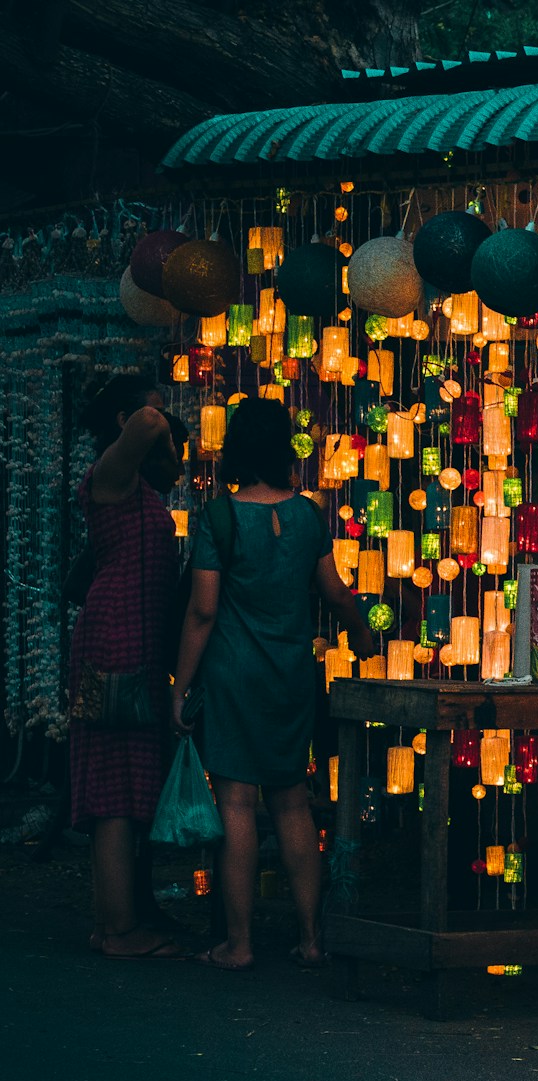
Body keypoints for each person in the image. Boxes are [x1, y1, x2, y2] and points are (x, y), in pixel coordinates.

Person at [171, 398, 375, 971]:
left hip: (234, 676)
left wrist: (179, 687)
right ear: (285, 448)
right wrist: (362, 636)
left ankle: (238, 945)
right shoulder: (309, 515)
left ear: (236, 448)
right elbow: (335, 592)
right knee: (291, 805)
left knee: (235, 802)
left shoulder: (220, 518)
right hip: (291, 677)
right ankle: (312, 939)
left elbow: (203, 612)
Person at [70, 375, 189, 959]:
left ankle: (110, 921)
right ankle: (120, 932)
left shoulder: (134, 485)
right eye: (152, 411)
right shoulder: (109, 477)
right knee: (115, 791)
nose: (159, 419)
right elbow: (148, 425)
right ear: (123, 420)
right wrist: (162, 430)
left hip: (130, 640)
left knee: (122, 788)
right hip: (117, 638)